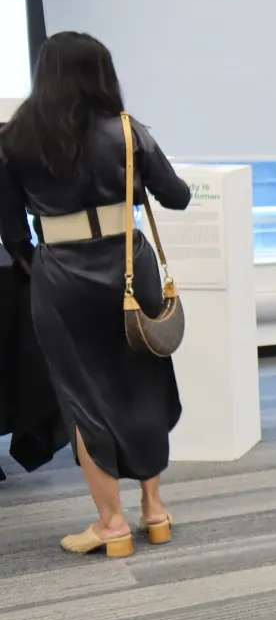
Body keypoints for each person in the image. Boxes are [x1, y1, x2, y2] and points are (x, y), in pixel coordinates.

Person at [0, 31, 192, 557]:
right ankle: (154, 512)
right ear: (102, 74)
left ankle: (110, 524)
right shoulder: (127, 132)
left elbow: (11, 231)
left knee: (82, 397)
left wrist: (36, 264)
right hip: (132, 270)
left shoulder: (13, 140)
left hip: (61, 279)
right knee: (144, 384)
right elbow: (177, 196)